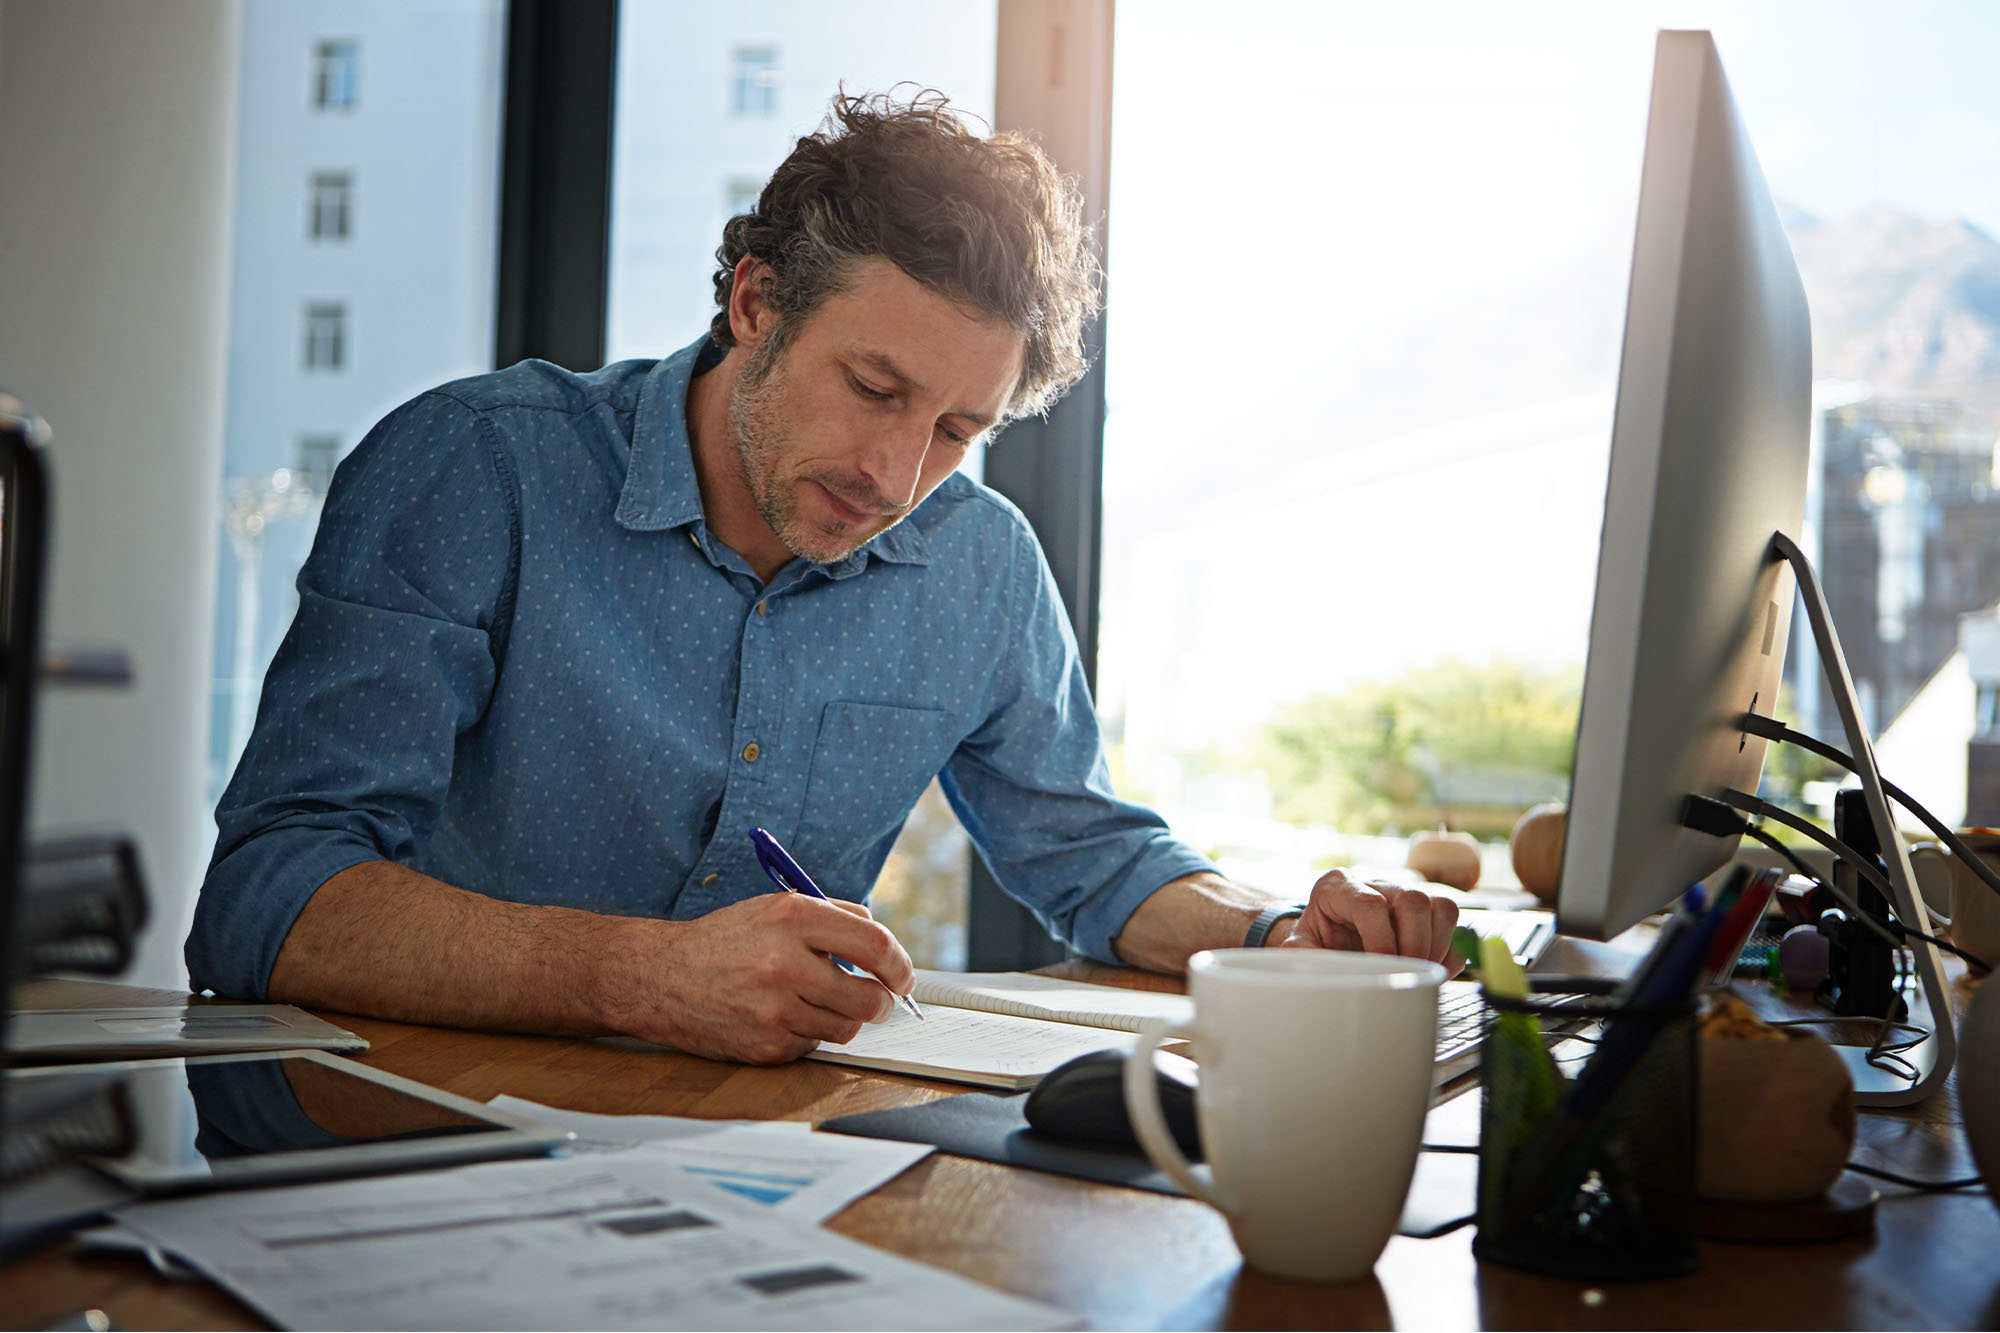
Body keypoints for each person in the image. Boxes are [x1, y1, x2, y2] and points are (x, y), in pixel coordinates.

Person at [188, 92, 1459, 1065]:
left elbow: (1094, 857)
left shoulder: (978, 563)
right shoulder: (479, 467)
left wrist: (1281, 936)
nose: (901, 473)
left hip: (759, 1159)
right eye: (874, 389)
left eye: (960, 429)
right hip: (416, 1138)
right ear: (754, 304)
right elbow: (263, 900)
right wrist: (644, 977)